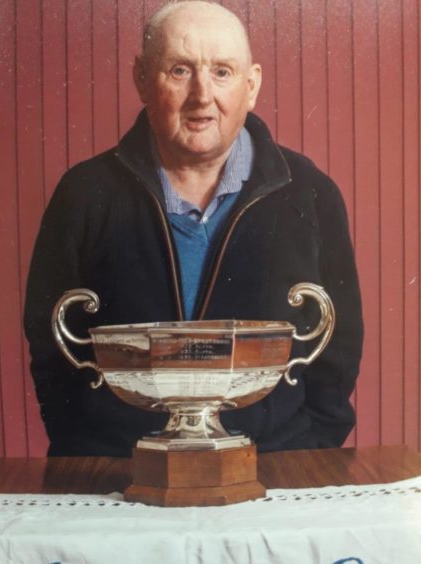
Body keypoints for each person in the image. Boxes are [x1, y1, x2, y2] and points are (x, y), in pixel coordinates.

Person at [24, 0, 363, 457]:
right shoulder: (84, 193)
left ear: (252, 84)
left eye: (222, 71)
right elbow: (50, 340)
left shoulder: (311, 193)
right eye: (180, 70)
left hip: (273, 468)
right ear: (142, 79)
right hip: (119, 476)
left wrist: (302, 452)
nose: (202, 95)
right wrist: (88, 452)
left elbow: (339, 345)